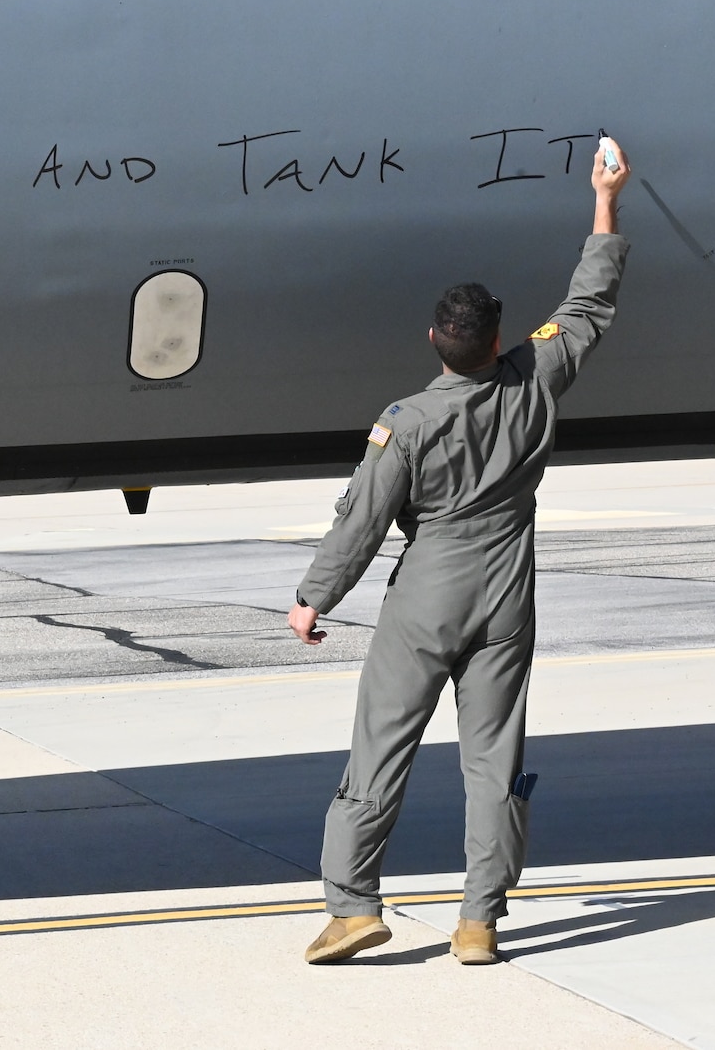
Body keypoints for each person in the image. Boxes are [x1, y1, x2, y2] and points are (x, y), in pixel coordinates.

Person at [290, 136, 633, 966]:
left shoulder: (405, 421)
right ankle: (478, 918)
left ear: (433, 340)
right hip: (506, 592)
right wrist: (604, 199)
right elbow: (588, 305)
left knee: (381, 744)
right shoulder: (532, 382)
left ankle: (353, 905)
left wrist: (313, 597)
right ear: (498, 336)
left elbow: (362, 520)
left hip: (427, 596)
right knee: (493, 758)